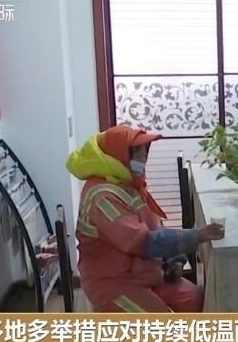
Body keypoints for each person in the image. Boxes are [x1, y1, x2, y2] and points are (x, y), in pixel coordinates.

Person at [65, 125, 224, 312]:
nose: (143, 159)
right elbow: (144, 242)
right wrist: (197, 236)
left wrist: (175, 259)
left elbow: (155, 225)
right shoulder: (103, 197)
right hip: (113, 282)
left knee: (195, 299)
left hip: (145, 271)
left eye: (144, 153)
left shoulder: (127, 183)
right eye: (137, 154)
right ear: (120, 155)